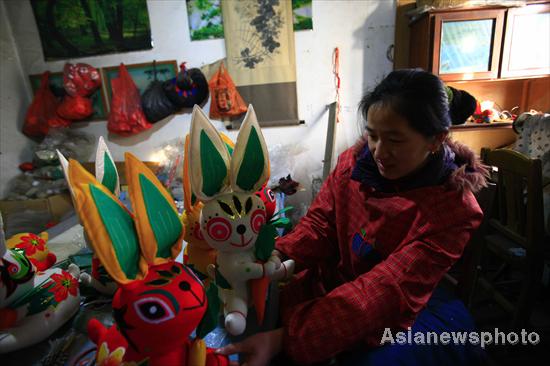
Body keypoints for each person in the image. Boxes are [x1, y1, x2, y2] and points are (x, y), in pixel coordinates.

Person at [216, 69, 488, 365]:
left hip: (403, 307)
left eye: (395, 140)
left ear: (436, 140)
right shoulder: (355, 165)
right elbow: (321, 224)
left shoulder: (452, 210)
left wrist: (286, 338)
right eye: (372, 135)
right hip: (342, 284)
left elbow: (385, 289)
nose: (379, 152)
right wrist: (275, 256)